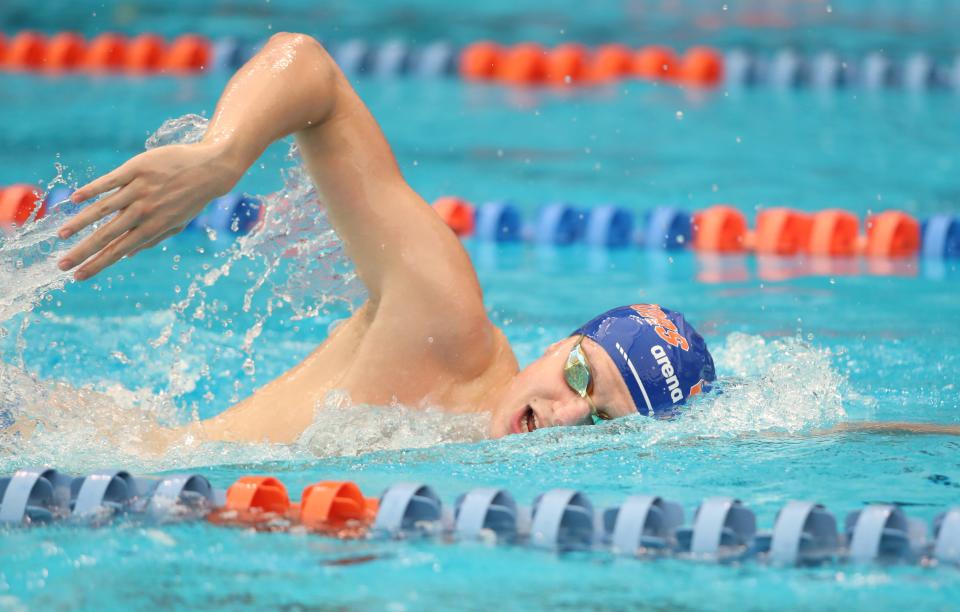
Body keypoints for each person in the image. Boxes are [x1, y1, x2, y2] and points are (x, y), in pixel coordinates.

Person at [52, 33, 957, 444]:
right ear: (564, 340)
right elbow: (311, 68)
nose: (563, 413)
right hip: (92, 449)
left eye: (598, 422)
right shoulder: (445, 325)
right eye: (578, 378)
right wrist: (221, 154)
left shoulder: (502, 463)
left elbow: (810, 430)